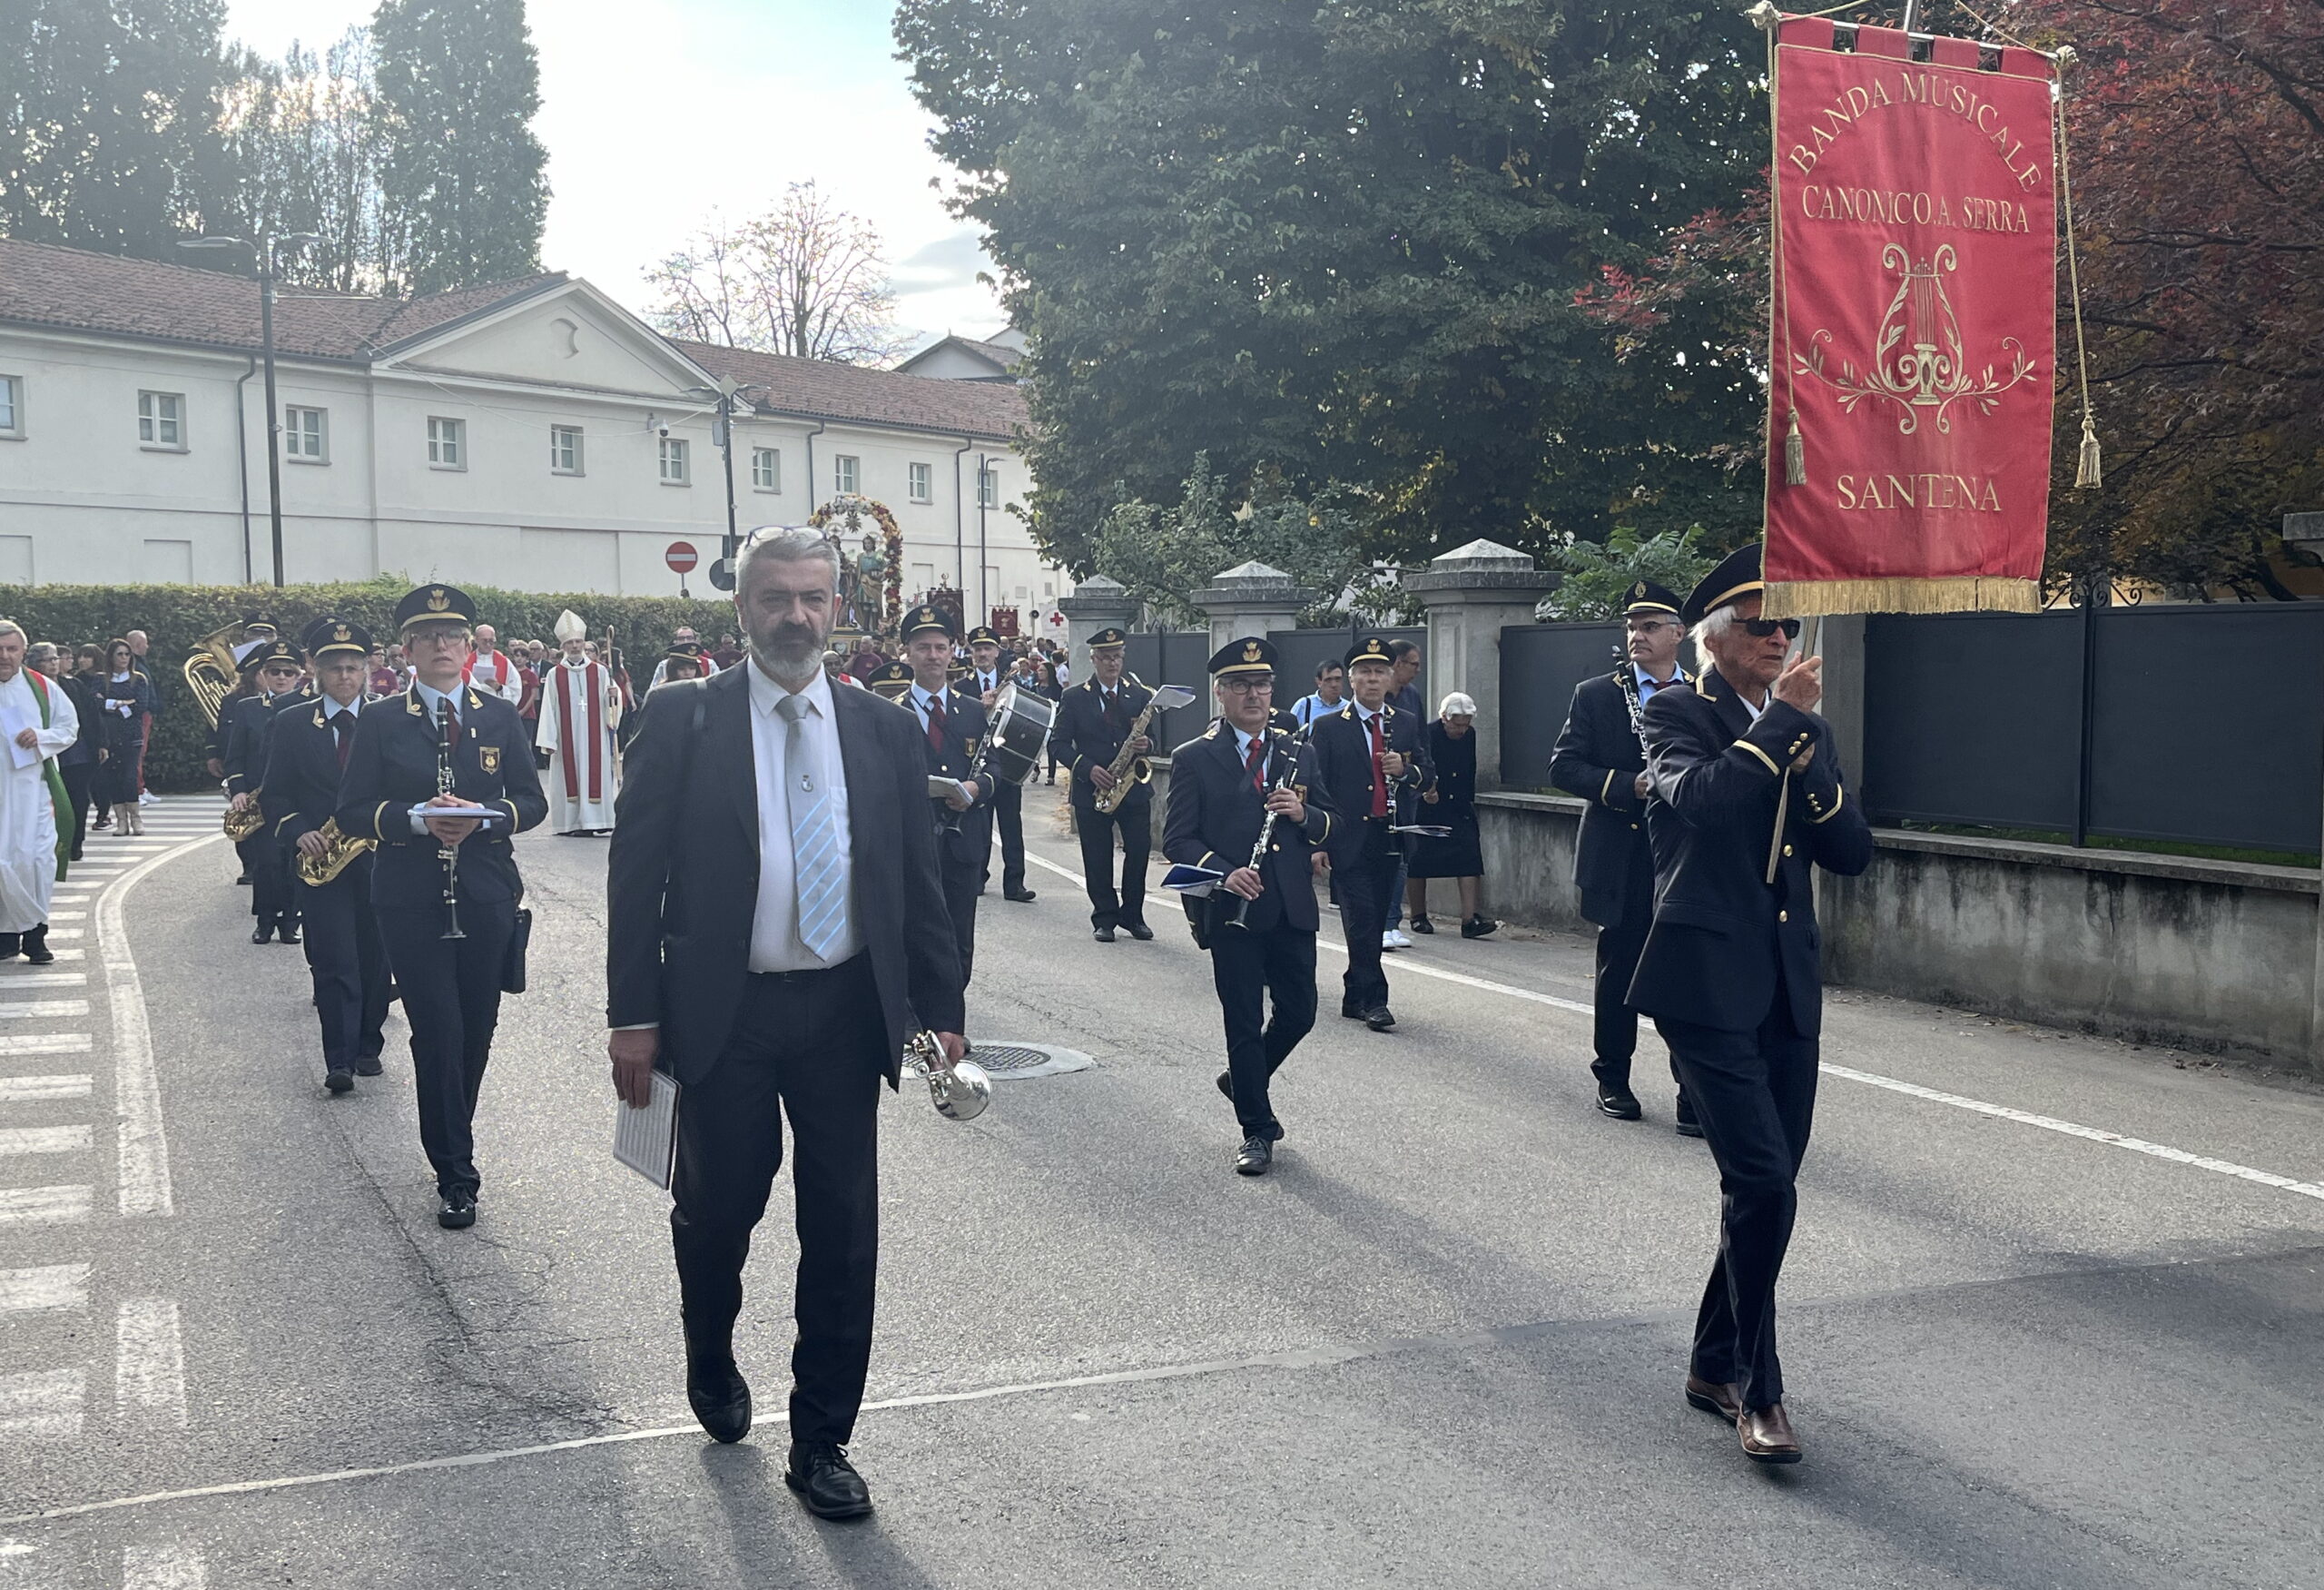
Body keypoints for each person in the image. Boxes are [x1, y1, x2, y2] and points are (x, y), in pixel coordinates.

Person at [605, 526, 966, 1520]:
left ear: (837, 606)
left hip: (845, 1010)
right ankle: (710, 1346)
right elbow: (635, 877)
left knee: (844, 1227)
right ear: (743, 608)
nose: (796, 615)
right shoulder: (683, 717)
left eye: (813, 597)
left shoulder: (885, 729)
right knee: (722, 1209)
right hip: (723, 1009)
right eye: (776, 597)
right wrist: (631, 1014)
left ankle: (822, 1440)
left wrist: (941, 1006)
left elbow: (913, 881)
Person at [1631, 544, 1872, 1467]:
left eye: (1787, 625)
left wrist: (1809, 766)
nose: (1779, 637)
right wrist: (1779, 730)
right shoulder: (1674, 712)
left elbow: (1849, 848)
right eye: (1761, 625)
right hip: (1699, 981)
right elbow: (1706, 801)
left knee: (1759, 1192)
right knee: (1764, 1180)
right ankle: (1757, 1390)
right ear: (1717, 637)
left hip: (1783, 983)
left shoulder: (1802, 726)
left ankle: (1708, 1360)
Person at [335, 585, 547, 1230]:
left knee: (476, 1033)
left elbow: (530, 802)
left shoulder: (499, 714)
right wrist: (418, 820)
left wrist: (482, 820)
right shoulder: (379, 719)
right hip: (409, 898)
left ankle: (454, 1130)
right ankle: (455, 1171)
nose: (441, 646)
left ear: (468, 645)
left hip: (484, 893)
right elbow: (352, 810)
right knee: (438, 1031)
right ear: (406, 650)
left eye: (452, 635)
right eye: (427, 637)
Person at [1162, 637, 1336, 1175]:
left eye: (1261, 685)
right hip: (1231, 909)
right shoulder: (1194, 756)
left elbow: (1334, 821)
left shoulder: (1297, 751)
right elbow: (1177, 840)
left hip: (1289, 907)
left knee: (1300, 1013)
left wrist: (1304, 816)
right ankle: (1257, 1129)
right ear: (1221, 693)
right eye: (1241, 685)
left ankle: (1242, 1081)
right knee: (1242, 1019)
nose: (1254, 694)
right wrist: (1223, 871)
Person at [1548, 579, 1697, 1130]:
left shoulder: (1702, 691)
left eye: (1651, 626)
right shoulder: (1599, 693)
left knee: (1687, 973)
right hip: (1623, 852)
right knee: (1621, 972)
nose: (1638, 635)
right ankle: (1613, 1075)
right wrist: (1624, 785)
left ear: (1679, 634)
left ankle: (1692, 1088)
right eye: (1632, 626)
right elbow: (1563, 767)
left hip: (1685, 854)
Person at [262, 618, 391, 1094]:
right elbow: (274, 796)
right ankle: (337, 1057)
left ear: (367, 671)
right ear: (315, 671)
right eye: (334, 668)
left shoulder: (388, 718)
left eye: (352, 668)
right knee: (335, 957)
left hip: (381, 859)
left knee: (377, 958)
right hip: (322, 863)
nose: (344, 677)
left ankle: (367, 1045)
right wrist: (298, 831)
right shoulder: (291, 723)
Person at [1305, 637, 1432, 1032]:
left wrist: (1405, 771)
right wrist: (1318, 843)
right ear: (1352, 681)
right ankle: (1375, 999)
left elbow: (1428, 773)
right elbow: (1313, 784)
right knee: (1360, 918)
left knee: (1376, 919)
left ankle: (1352, 992)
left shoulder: (1405, 722)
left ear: (1390, 677)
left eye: (1379, 672)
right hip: (1346, 837)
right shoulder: (1327, 728)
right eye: (1364, 673)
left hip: (1390, 834)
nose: (1372, 680)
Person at [902, 607, 993, 983]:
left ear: (954, 650)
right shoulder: (891, 713)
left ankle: (951, 1022)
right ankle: (913, 1022)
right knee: (914, 933)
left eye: (941, 647)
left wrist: (976, 788)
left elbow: (996, 768)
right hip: (912, 842)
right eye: (924, 648)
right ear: (906, 652)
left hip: (962, 843)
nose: (934, 656)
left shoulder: (973, 711)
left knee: (960, 937)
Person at [1052, 628, 1155, 943]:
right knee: (1097, 856)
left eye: (1117, 657)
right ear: (1093, 659)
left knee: (1138, 850)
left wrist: (1146, 745)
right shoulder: (1074, 697)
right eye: (1106, 657)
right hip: (1092, 788)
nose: (1112, 663)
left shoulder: (1140, 695)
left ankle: (1133, 915)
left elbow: (1155, 741)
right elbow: (1058, 744)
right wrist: (1087, 768)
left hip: (1132, 787)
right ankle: (1105, 917)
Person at [0, 622, 75, 965]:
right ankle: (5, 935)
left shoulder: (43, 688)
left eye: (11, 649)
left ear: (22, 652)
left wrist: (40, 737)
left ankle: (36, 936)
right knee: (4, 863)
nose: (4, 656)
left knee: (36, 860)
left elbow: (68, 728)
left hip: (34, 791)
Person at [223, 642, 308, 943]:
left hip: (296, 798)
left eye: (288, 672)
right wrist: (238, 790)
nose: (281, 677)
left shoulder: (308, 708)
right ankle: (266, 920)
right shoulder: (247, 708)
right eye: (275, 671)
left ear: (299, 675)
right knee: (267, 862)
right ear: (263, 674)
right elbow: (234, 756)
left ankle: (291, 922)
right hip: (261, 800)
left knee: (293, 862)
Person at [1406, 692, 1495, 939]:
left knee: (1469, 856)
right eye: (1457, 724)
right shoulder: (1427, 734)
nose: (1461, 730)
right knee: (1419, 859)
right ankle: (1418, 915)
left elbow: (1469, 767)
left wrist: (1469, 799)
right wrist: (1426, 789)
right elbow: (1418, 764)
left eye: (1466, 724)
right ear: (1444, 718)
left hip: (1458, 802)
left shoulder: (1470, 735)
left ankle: (1470, 919)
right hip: (1429, 803)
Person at [961, 625, 1035, 904]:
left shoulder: (1013, 684)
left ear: (996, 652)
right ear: (972, 653)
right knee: (979, 825)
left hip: (1007, 763)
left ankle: (1015, 883)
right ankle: (977, 877)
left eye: (987, 648)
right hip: (977, 769)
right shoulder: (963, 687)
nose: (982, 653)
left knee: (1011, 825)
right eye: (977, 649)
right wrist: (978, 707)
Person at [535, 610, 624, 837]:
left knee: (596, 772)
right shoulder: (556, 674)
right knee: (569, 775)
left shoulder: (601, 671)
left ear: (584, 643)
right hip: (567, 739)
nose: (575, 646)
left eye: (578, 641)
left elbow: (610, 706)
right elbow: (548, 706)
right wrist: (548, 738)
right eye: (570, 642)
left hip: (596, 738)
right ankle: (571, 823)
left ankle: (598, 820)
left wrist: (613, 696)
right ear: (563, 645)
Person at [1380, 638, 1427, 947]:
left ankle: (1392, 920)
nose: (1418, 670)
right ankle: (1380, 919)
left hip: (1405, 790)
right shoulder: (1375, 697)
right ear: (1396, 664)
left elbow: (1422, 742)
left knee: (1402, 855)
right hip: (1374, 791)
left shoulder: (1411, 698)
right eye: (1413, 663)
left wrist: (1425, 778)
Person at [54, 645, 108, 863]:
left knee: (78, 798)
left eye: (62, 658)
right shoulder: (34, 686)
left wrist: (102, 743)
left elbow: (91, 715)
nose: (58, 663)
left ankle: (75, 844)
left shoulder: (73, 684)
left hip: (77, 751)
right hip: (50, 752)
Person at [97, 639, 155, 836]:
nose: (123, 658)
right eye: (119, 654)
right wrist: (122, 703)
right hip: (109, 735)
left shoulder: (138, 679)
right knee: (113, 777)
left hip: (131, 734)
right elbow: (96, 704)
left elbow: (140, 706)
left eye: (127, 654)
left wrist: (111, 705)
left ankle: (136, 818)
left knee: (130, 777)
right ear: (111, 657)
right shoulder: (101, 679)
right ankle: (121, 821)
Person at [463, 623, 525, 705]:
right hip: (472, 707)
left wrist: (499, 688)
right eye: (484, 641)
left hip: (497, 707)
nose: (488, 644)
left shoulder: (505, 662)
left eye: (491, 641)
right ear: (476, 639)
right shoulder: (465, 661)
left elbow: (516, 690)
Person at [1291, 659, 1344, 728]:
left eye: (1338, 679)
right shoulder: (1304, 705)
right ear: (1318, 681)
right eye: (1328, 680)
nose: (1334, 685)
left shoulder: (1349, 708)